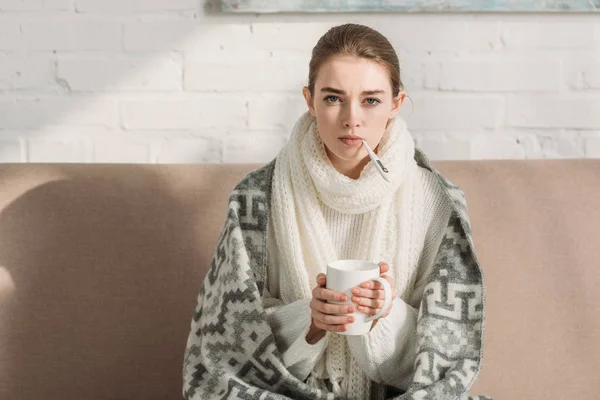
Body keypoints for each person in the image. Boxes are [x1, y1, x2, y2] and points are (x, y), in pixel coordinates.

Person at [182, 23, 491, 400]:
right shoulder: (254, 199)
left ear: (396, 103)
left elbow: (448, 360)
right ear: (309, 100)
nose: (351, 118)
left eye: (371, 100)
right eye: (333, 98)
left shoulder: (438, 201)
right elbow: (226, 349)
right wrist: (309, 323)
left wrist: (385, 315)